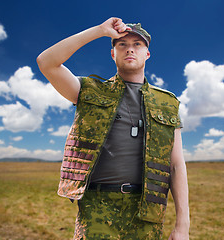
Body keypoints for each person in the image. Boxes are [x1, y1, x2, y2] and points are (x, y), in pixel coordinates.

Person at [37, 17, 189, 240]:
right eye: (122, 44)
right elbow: (46, 62)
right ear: (112, 53)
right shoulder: (89, 90)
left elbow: (176, 165)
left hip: (147, 212)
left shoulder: (168, 103)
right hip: (98, 208)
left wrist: (182, 225)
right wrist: (99, 31)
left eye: (137, 45)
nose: (130, 49)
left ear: (147, 54)